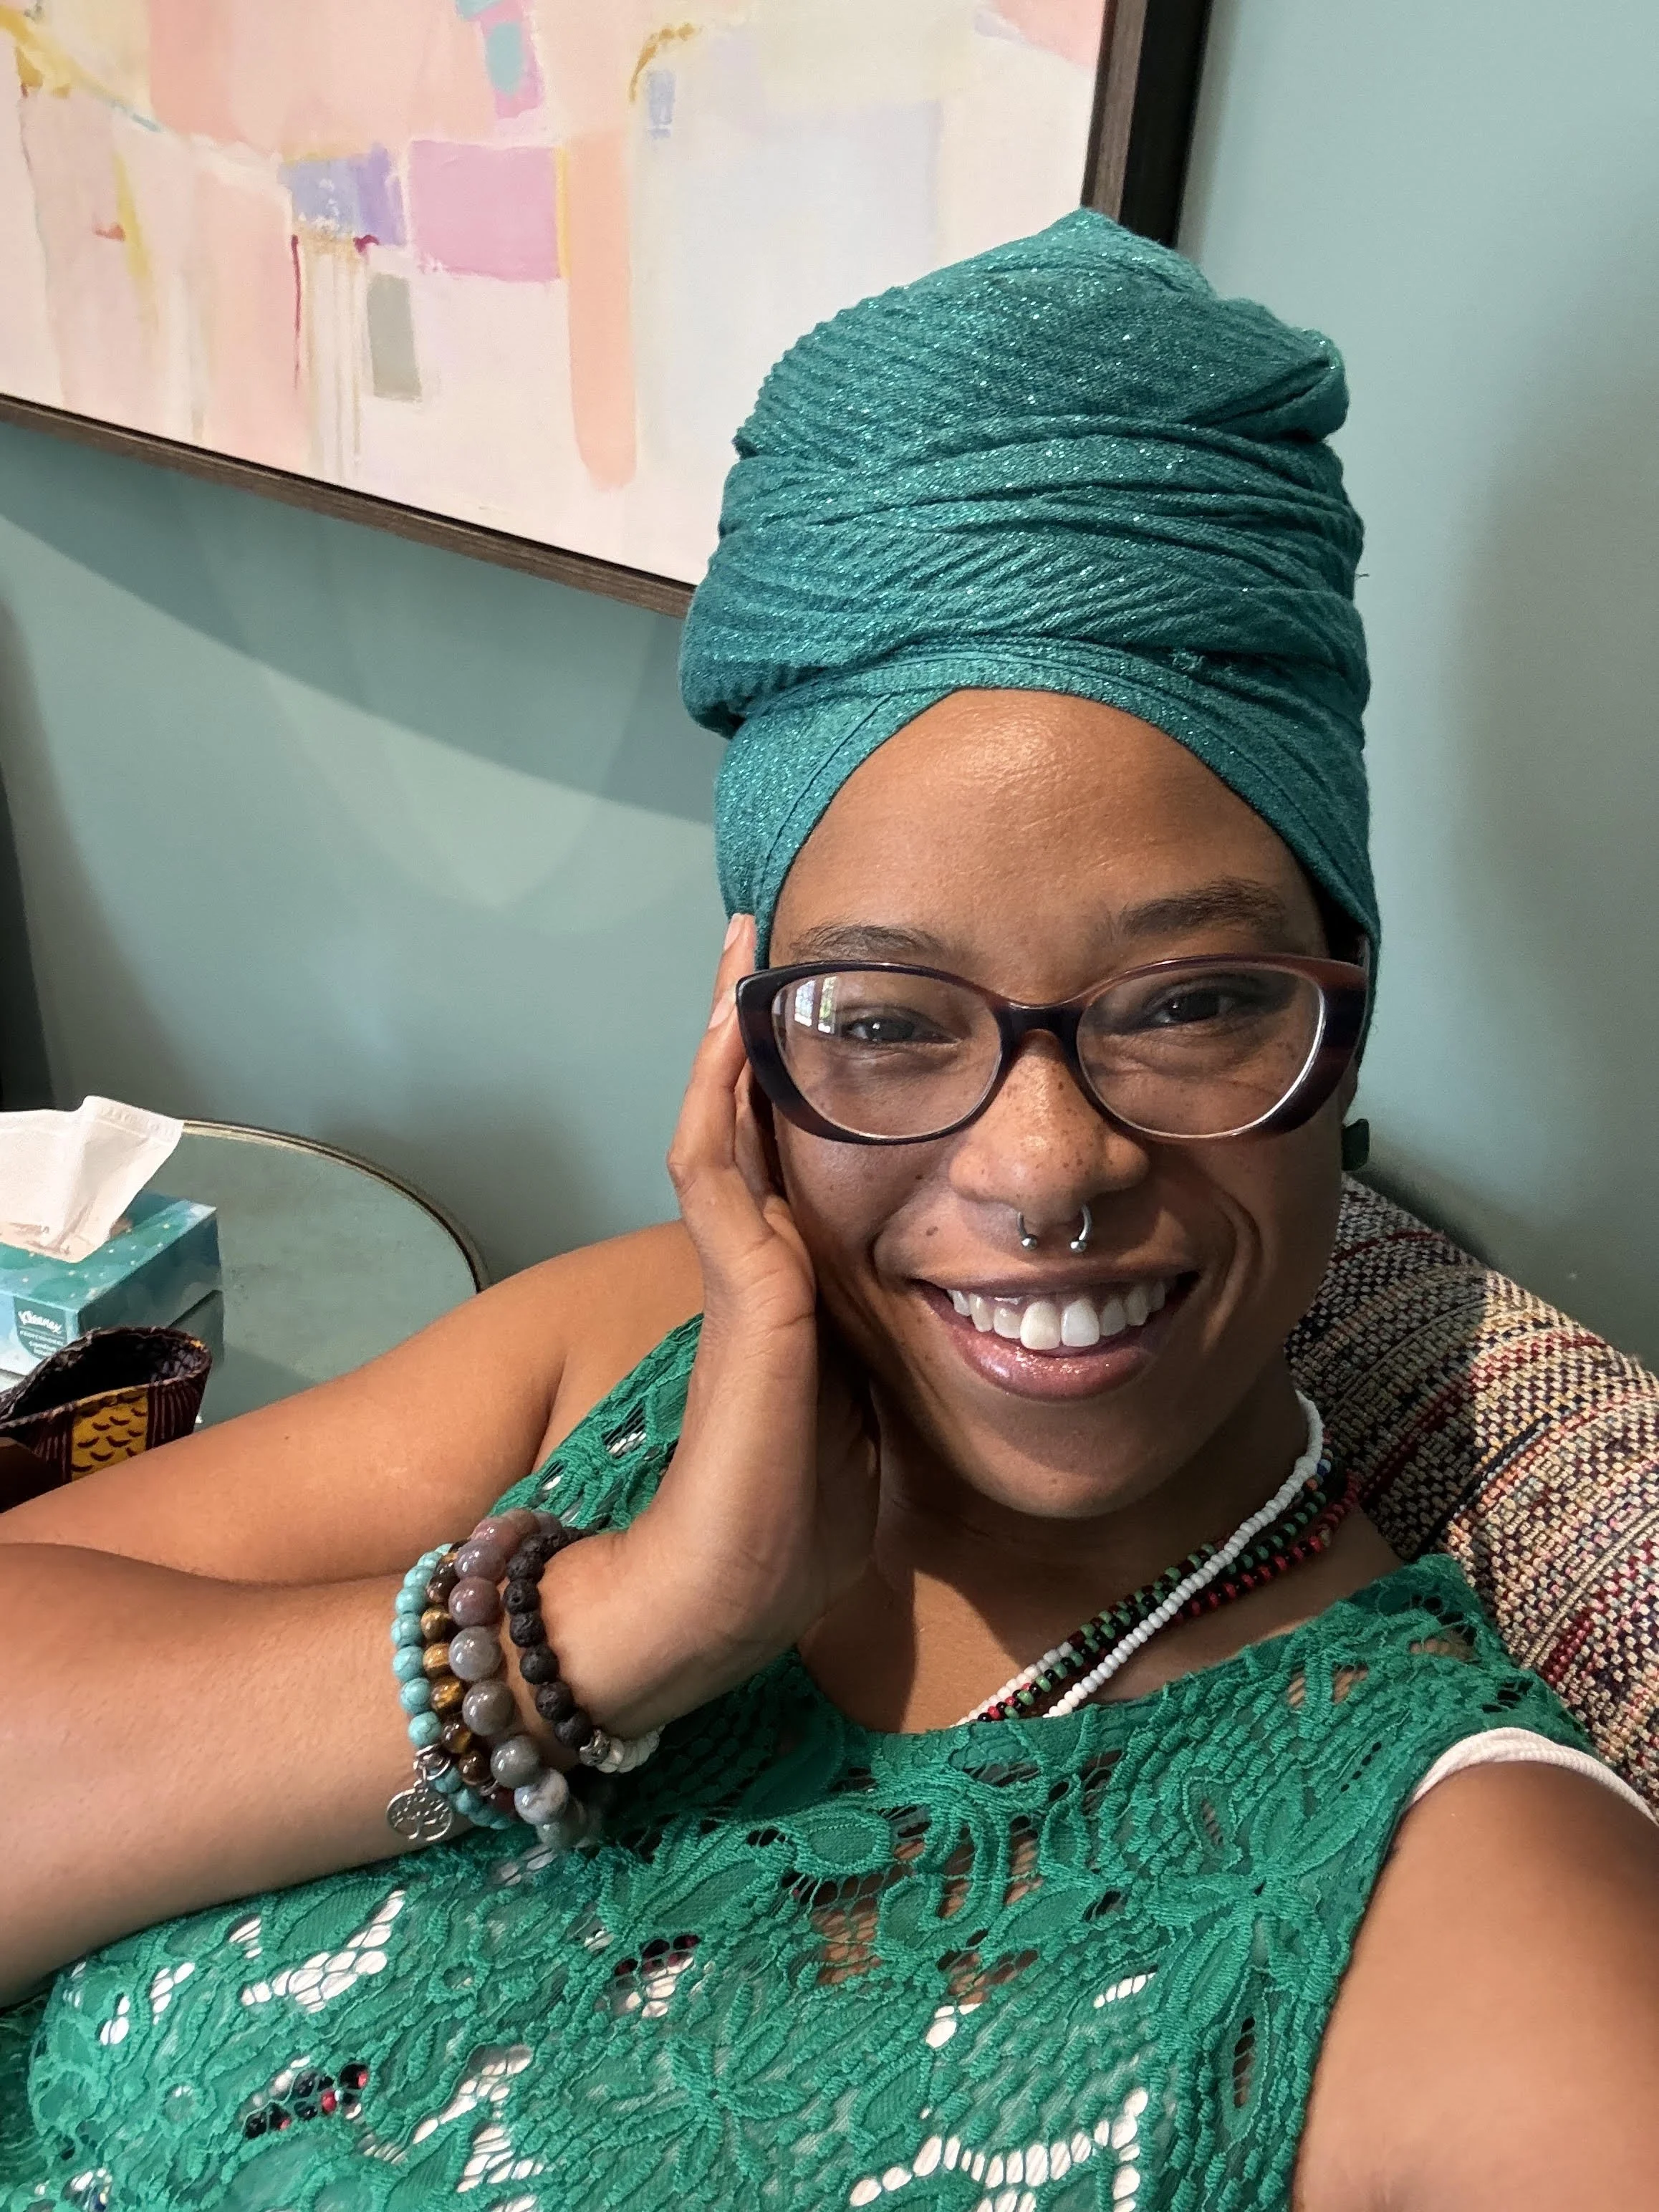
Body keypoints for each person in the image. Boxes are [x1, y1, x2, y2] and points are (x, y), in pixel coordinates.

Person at [3, 213, 1657, 2212]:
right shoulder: (631, 1355)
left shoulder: (1472, 1917)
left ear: (1344, 1015)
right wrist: (625, 1625)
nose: (1045, 1167)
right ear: (747, 1050)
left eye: (1192, 1004)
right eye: (883, 1021)